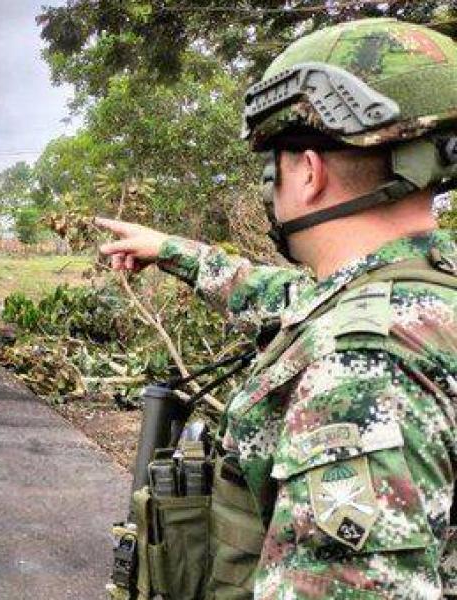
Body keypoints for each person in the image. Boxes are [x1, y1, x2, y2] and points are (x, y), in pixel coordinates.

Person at [98, 18, 457, 598]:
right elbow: (280, 296)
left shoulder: (360, 370)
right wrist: (168, 249)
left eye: (275, 169)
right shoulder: (418, 292)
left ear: (309, 172)